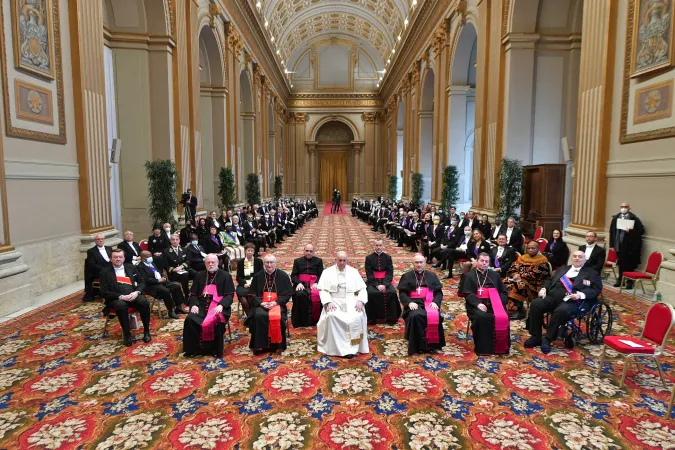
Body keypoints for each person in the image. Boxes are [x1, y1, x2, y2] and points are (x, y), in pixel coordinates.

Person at [525, 251, 603, 354]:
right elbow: (549, 280)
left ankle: (547, 339)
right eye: (575, 256)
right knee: (536, 304)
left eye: (580, 257)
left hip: (573, 301)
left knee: (560, 311)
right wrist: (544, 288)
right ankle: (536, 336)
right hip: (552, 297)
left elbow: (596, 290)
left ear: (585, 260)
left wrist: (580, 295)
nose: (577, 258)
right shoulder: (563, 269)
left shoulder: (592, 273)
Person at [316, 251, 369, 358]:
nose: (342, 263)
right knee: (331, 316)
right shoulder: (327, 272)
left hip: (351, 300)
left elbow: (362, 289)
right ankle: (336, 347)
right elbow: (323, 290)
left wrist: (360, 301)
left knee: (357, 316)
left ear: (347, 261)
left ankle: (354, 347)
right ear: (336, 260)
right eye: (339, 260)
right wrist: (328, 301)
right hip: (334, 300)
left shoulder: (353, 271)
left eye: (344, 260)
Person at [183, 254, 235, 358]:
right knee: (190, 319)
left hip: (219, 306)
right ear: (205, 263)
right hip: (201, 306)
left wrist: (222, 305)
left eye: (213, 262)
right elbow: (193, 294)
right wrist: (194, 305)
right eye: (208, 262)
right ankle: (194, 349)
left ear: (218, 262)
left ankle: (215, 349)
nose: (210, 264)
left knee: (216, 320)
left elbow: (230, 295)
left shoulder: (226, 276)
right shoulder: (200, 275)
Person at [458, 252, 510, 355]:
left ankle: (500, 347)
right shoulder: (468, 276)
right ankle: (484, 349)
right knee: (482, 317)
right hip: (476, 305)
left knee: (503, 316)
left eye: (486, 262)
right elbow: (466, 293)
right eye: (482, 261)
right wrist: (478, 304)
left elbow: (503, 292)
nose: (484, 263)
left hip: (494, 303)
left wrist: (499, 303)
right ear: (477, 261)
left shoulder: (494, 275)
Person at [99, 249, 152, 346]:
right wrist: (120, 296)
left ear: (124, 258)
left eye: (120, 257)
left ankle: (146, 331)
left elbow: (142, 282)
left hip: (133, 294)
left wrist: (137, 292)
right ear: (111, 259)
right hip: (117, 297)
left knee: (144, 303)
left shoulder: (131, 267)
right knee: (121, 306)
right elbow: (103, 291)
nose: (118, 259)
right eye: (115, 257)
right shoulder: (104, 271)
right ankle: (127, 334)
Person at [398, 254, 444, 355]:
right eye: (416, 262)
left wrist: (436, 302)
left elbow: (438, 292)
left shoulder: (431, 275)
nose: (419, 265)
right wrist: (409, 302)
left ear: (425, 263)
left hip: (429, 302)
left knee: (436, 316)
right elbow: (402, 293)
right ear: (413, 263)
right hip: (413, 302)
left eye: (421, 262)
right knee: (416, 315)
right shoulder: (406, 276)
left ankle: (434, 346)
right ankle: (416, 347)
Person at [246, 253, 293, 354]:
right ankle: (259, 346)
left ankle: (277, 345)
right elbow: (252, 294)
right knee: (259, 315)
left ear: (276, 263)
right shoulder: (258, 276)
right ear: (264, 263)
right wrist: (261, 303)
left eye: (271, 262)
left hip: (277, 304)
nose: (269, 265)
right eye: (267, 262)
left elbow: (287, 295)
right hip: (262, 303)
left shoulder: (283, 275)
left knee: (277, 316)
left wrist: (275, 302)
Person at [503, 240, 551, 320]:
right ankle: (508, 309)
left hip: (534, 284)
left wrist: (521, 276)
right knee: (504, 283)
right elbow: (513, 267)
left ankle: (519, 311)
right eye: (529, 248)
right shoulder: (523, 257)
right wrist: (514, 274)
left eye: (533, 248)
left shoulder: (542, 260)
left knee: (517, 286)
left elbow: (538, 273)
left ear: (538, 249)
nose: (530, 250)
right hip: (519, 280)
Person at [136, 251, 183, 319]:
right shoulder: (139, 267)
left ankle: (178, 307)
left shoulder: (151, 263)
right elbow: (145, 279)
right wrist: (158, 281)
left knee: (176, 286)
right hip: (151, 285)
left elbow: (158, 271)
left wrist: (163, 276)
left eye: (151, 256)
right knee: (166, 291)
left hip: (161, 281)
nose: (151, 258)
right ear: (143, 258)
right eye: (148, 256)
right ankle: (171, 310)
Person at [364, 239, 401, 325]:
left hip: (386, 281)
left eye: (380, 245)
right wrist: (377, 285)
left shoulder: (388, 257)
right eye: (377, 245)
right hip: (373, 281)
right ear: (374, 246)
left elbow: (390, 273)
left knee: (391, 292)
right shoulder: (369, 258)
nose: (378, 247)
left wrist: (384, 284)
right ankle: (372, 318)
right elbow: (369, 274)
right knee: (371, 293)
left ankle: (390, 317)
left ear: (383, 246)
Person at [609, 203, 645, 288]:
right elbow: (612, 232)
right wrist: (612, 244)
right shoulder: (615, 218)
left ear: (629, 208)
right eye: (622, 206)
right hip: (619, 245)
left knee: (629, 264)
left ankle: (629, 281)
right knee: (620, 263)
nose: (623, 208)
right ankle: (620, 280)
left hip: (629, 246)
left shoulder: (634, 219)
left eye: (625, 207)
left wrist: (631, 231)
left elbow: (641, 231)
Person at [291, 244, 324, 328]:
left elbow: (322, 275)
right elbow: (293, 275)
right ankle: (301, 321)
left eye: (311, 251)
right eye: (307, 251)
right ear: (303, 251)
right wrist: (298, 283)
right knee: (300, 294)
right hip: (301, 284)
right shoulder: (297, 261)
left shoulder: (319, 261)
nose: (308, 253)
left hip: (314, 284)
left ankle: (315, 320)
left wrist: (317, 282)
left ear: (314, 252)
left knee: (319, 294)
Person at [163, 234, 197, 300]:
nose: (175, 241)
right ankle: (187, 295)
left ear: (179, 240)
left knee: (195, 273)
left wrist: (182, 267)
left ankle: (194, 292)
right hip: (174, 273)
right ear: (170, 241)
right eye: (173, 240)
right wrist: (173, 269)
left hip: (183, 268)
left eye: (177, 239)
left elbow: (189, 260)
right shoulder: (166, 251)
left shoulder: (184, 249)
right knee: (185, 275)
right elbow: (165, 265)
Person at [83, 234, 113, 302]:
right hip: (99, 271)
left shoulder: (109, 248)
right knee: (109, 275)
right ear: (95, 241)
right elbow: (92, 265)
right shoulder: (91, 251)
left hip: (110, 268)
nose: (100, 240)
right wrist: (105, 270)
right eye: (98, 239)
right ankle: (107, 293)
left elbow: (113, 259)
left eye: (102, 239)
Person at [236, 243, 263, 317]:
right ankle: (250, 318)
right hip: (244, 285)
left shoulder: (258, 261)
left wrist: (253, 283)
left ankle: (253, 317)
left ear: (254, 252)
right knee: (244, 301)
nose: (250, 252)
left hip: (255, 284)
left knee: (250, 299)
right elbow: (238, 277)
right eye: (248, 250)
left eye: (252, 250)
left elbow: (261, 275)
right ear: (245, 251)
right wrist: (244, 283)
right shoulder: (241, 262)